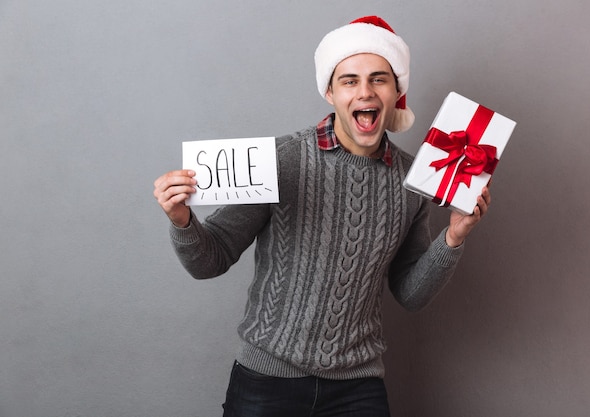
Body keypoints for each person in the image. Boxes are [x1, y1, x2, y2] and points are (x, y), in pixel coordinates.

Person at [153, 15, 491, 417]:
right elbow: (210, 260)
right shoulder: (281, 160)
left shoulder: (416, 180)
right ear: (330, 92)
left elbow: (411, 294)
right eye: (349, 80)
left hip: (357, 386)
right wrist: (182, 221)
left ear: (396, 91)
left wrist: (452, 238)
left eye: (379, 79)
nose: (364, 91)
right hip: (267, 381)